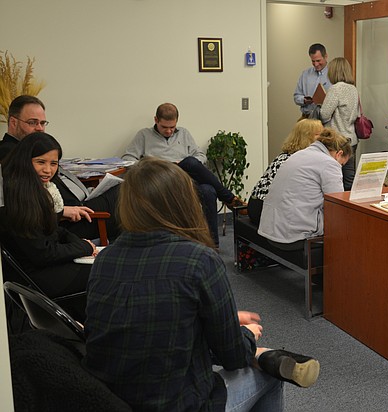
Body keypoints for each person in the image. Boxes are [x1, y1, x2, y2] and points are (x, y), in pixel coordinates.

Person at [83, 157, 321, 411]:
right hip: (177, 403)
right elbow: (232, 357)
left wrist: (222, 318)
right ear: (184, 200)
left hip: (114, 399)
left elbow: (147, 322)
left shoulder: (105, 258)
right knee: (268, 373)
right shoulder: (200, 260)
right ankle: (263, 355)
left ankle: (263, 355)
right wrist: (246, 335)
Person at [0, 132, 96, 320]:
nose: (48, 170)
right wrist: (84, 247)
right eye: (40, 162)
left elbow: (54, 229)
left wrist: (81, 243)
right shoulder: (18, 198)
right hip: (34, 278)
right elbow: (44, 254)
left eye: (53, 164)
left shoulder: (35, 189)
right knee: (105, 271)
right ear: (25, 161)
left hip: (44, 267)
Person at [0, 95, 120, 241]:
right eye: (33, 123)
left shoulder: (32, 148)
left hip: (77, 211)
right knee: (125, 195)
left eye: (43, 123)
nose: (39, 128)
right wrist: (61, 211)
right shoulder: (11, 154)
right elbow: (23, 201)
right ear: (13, 122)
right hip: (67, 223)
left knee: (126, 191)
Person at [123, 103, 245, 246]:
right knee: (191, 163)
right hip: (162, 180)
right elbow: (127, 159)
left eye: (172, 127)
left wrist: (181, 163)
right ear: (156, 120)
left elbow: (200, 155)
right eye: (164, 127)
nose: (169, 131)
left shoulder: (184, 133)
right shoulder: (144, 135)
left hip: (185, 178)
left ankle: (212, 245)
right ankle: (230, 198)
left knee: (207, 189)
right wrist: (154, 165)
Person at [258, 128, 351, 250]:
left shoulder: (299, 154)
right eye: (342, 164)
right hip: (293, 236)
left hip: (271, 230)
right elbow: (337, 205)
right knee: (351, 227)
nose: (341, 167)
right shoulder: (329, 163)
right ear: (339, 154)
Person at [248, 119, 323, 224]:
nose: (323, 139)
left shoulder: (284, 156)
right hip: (266, 210)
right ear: (307, 137)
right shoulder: (299, 160)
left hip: (256, 205)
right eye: (318, 135)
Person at [319, 57, 359, 191]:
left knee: (335, 178)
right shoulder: (353, 89)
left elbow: (324, 114)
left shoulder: (335, 89)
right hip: (352, 139)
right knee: (349, 178)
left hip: (337, 140)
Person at [294, 43, 332, 118]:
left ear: (326, 56)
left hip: (327, 120)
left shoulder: (333, 74)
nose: (316, 64)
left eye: (318, 60)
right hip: (307, 117)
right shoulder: (305, 74)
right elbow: (296, 96)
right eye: (313, 61)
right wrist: (304, 100)